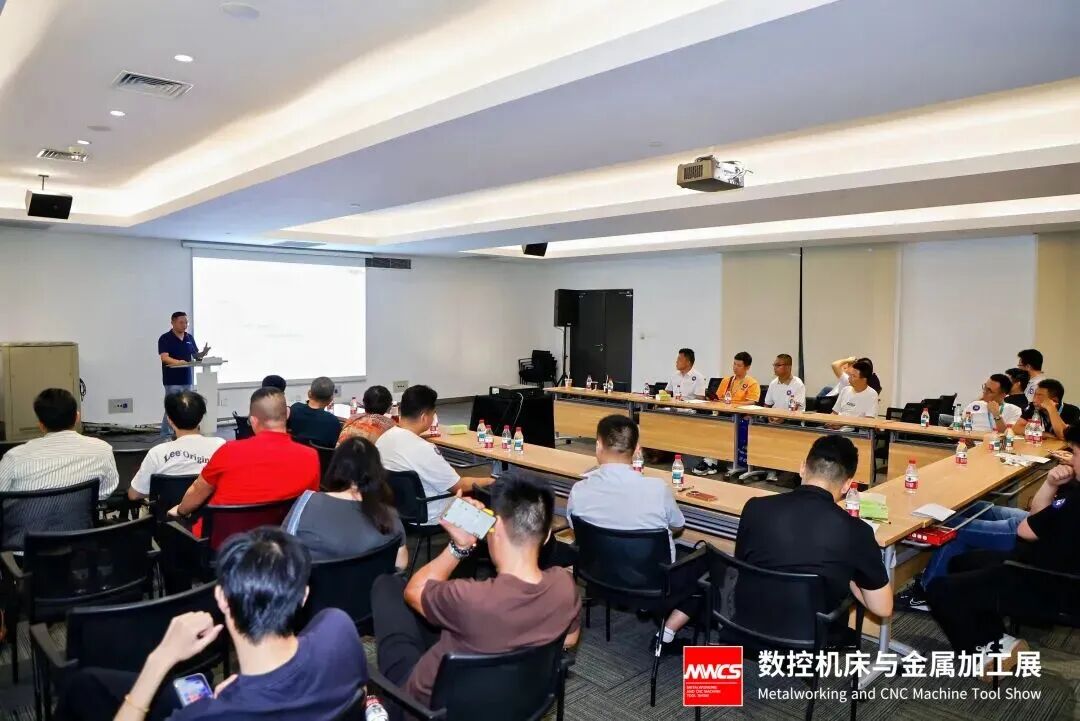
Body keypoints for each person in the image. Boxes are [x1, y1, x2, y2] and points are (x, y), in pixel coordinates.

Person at [54, 528, 367, 721]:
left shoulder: (206, 715)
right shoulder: (339, 628)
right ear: (303, 596)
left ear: (221, 598)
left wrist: (159, 659)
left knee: (83, 687)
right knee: (87, 685)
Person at [371, 475, 580, 711]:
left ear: (495, 527)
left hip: (423, 709)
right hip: (515, 704)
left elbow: (413, 591)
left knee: (387, 586)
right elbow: (569, 639)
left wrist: (458, 546)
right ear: (548, 535)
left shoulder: (469, 598)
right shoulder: (564, 585)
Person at [926, 425, 1080, 670]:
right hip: (1052, 566)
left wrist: (1053, 489)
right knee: (961, 563)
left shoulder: (1076, 499)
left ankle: (983, 656)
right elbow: (1039, 519)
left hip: (1051, 581)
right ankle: (997, 639)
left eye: (1075, 453)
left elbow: (1026, 530)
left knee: (939, 589)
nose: (1071, 460)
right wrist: (1051, 484)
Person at [566, 415, 697, 652]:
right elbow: (678, 526)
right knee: (708, 564)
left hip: (599, 576)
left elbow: (578, 532)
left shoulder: (579, 490)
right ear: (637, 450)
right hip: (653, 581)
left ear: (598, 445)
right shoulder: (657, 489)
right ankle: (666, 634)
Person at [736, 435, 893, 628]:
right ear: (847, 485)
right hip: (812, 639)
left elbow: (742, 566)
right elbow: (883, 608)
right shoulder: (856, 531)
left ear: (802, 468)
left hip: (747, 628)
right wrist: (851, 575)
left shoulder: (755, 508)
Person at [169, 387, 320, 531]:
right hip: (280, 540)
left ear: (253, 420)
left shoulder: (229, 451)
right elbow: (307, 504)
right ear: (287, 414)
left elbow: (198, 490)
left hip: (222, 540)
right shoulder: (311, 456)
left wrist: (181, 511)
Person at [283, 437, 408, 567]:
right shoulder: (388, 516)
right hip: (369, 580)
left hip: (313, 579)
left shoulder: (308, 503)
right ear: (377, 470)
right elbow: (401, 564)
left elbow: (283, 550)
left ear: (336, 466)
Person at [376, 385, 486, 523]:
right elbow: (458, 486)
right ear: (424, 417)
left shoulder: (383, 438)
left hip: (394, 512)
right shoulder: (423, 449)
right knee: (484, 505)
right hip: (431, 515)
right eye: (433, 413)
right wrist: (492, 481)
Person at [0, 388, 118, 500]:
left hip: (27, 515)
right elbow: (106, 491)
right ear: (77, 417)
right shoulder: (102, 450)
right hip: (80, 515)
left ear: (41, 425)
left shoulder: (14, 457)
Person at [128, 391, 225, 501]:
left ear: (169, 420)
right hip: (212, 510)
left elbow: (134, 494)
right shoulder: (221, 446)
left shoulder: (157, 453)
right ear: (201, 417)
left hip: (167, 511)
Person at [694, 351, 760, 476]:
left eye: (739, 365)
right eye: (734, 364)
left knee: (720, 429)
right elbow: (718, 398)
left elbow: (752, 402)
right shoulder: (726, 380)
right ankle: (709, 459)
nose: (735, 367)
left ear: (747, 367)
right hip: (724, 414)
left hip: (739, 416)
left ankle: (711, 461)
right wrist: (714, 399)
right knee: (709, 425)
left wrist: (734, 404)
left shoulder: (752, 383)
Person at [158, 312, 210, 437]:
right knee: (172, 407)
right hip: (172, 380)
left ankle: (184, 432)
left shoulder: (189, 337)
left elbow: (195, 355)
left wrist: (203, 353)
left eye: (186, 322)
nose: (185, 325)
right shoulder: (165, 338)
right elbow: (164, 358)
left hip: (187, 379)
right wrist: (178, 362)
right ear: (173, 322)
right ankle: (166, 434)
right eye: (181, 322)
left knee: (187, 406)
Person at [1015, 379, 1079, 440]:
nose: (1034, 399)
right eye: (1034, 395)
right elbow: (1016, 428)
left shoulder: (1072, 411)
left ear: (1054, 400)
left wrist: (1051, 408)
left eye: (1039, 396)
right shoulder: (1033, 407)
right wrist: (1042, 434)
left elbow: (1063, 435)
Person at [287, 376, 341, 448]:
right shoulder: (333, 422)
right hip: (321, 455)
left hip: (296, 453)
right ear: (330, 399)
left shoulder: (295, 409)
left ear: (309, 393)